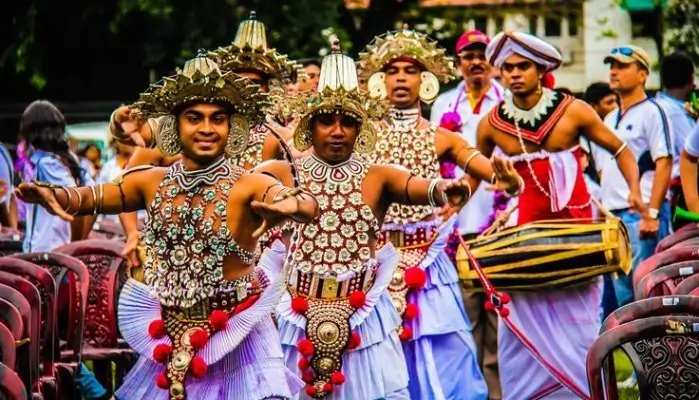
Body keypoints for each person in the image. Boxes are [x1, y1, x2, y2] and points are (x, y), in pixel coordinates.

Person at [17, 52, 315, 400]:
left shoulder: (248, 183)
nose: (206, 128)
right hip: (170, 328)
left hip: (239, 335)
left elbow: (303, 202)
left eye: (218, 119)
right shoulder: (151, 181)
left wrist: (290, 205)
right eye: (194, 118)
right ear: (174, 126)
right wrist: (53, 194)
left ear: (231, 128)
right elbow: (92, 196)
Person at [358, 27, 524, 400]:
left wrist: (508, 182)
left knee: (442, 355)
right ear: (379, 81)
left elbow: (485, 169)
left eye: (410, 70)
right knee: (378, 354)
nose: (401, 78)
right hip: (375, 262)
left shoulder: (440, 137)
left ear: (426, 81)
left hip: (428, 265)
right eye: (392, 70)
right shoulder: (360, 137)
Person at [476, 31, 643, 399]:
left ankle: (580, 392)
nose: (515, 74)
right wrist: (471, 193)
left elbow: (621, 150)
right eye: (507, 68)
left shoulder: (574, 110)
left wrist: (634, 191)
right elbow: (477, 172)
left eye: (523, 66)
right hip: (528, 238)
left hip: (579, 236)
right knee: (522, 324)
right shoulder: (491, 123)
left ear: (541, 70)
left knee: (579, 326)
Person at [429, 29, 504, 399]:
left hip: (500, 225)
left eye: (482, 54)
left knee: (499, 318)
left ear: (493, 62)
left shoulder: (507, 102)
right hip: (454, 230)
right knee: (465, 318)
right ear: (458, 63)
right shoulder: (442, 105)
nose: (476, 62)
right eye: (468, 55)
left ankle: (496, 392)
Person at [17, 100, 105, 399]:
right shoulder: (72, 162)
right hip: (60, 262)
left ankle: (95, 393)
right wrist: (76, 246)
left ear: (29, 130)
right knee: (55, 341)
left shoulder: (46, 164)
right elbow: (91, 202)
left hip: (45, 263)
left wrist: (73, 243)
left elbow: (80, 203)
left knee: (43, 340)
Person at [595, 45, 673, 309]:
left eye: (622, 66)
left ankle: (658, 350)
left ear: (642, 74)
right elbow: (602, 167)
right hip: (613, 218)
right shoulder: (607, 118)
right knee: (622, 300)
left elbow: (664, 162)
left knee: (647, 295)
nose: (614, 72)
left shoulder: (653, 111)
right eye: (612, 66)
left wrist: (651, 212)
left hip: (640, 217)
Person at [654, 51, 696, 231]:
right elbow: (690, 155)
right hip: (678, 193)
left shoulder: (655, 107)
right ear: (692, 78)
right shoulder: (674, 113)